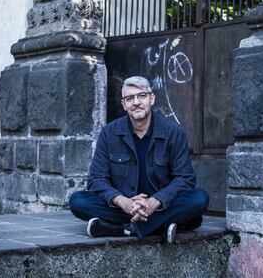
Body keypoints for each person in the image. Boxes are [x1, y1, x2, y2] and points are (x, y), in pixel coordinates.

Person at [69, 76, 209, 243]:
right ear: (124, 104)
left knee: (199, 198)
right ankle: (161, 225)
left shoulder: (173, 132)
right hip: (124, 207)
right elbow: (97, 179)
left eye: (142, 96)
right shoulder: (109, 133)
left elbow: (185, 178)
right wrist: (123, 202)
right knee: (78, 201)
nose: (136, 102)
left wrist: (154, 201)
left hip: (160, 204)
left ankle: (126, 230)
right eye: (130, 98)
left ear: (152, 99)